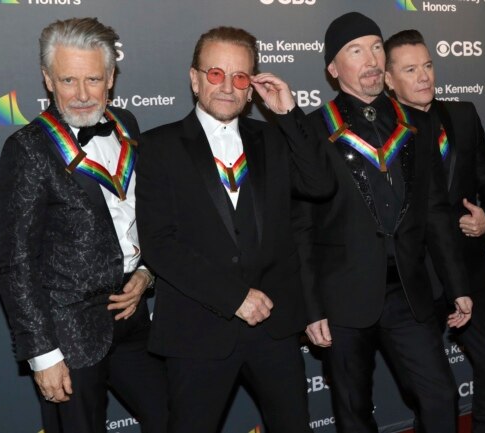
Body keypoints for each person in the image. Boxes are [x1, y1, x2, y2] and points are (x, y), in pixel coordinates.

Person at [135, 26, 334, 433]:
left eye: (240, 77)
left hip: (275, 330)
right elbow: (158, 244)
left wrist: (289, 114)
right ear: (194, 79)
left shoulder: (274, 140)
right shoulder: (159, 146)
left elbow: (320, 185)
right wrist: (234, 297)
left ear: (251, 88)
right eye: (215, 74)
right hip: (198, 333)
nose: (227, 86)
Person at [293, 12, 473, 433]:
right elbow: (300, 228)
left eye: (376, 47)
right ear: (333, 69)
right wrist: (312, 307)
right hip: (342, 299)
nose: (372, 59)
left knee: (440, 396)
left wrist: (458, 285)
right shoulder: (313, 131)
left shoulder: (419, 124)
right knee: (353, 412)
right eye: (356, 51)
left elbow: (435, 213)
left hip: (409, 293)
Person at [0, 17, 167, 433]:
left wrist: (146, 273)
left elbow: (144, 216)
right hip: (68, 334)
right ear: (47, 80)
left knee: (173, 416)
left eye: (93, 79)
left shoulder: (126, 123)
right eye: (69, 80)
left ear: (111, 77)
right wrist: (44, 356)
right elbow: (15, 263)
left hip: (133, 317)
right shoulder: (28, 149)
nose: (84, 95)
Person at [384, 29, 485, 433]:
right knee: (429, 384)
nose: (424, 77)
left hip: (467, 265)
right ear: (388, 80)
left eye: (428, 66)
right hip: (413, 278)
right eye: (410, 69)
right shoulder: (382, 134)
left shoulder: (463, 115)